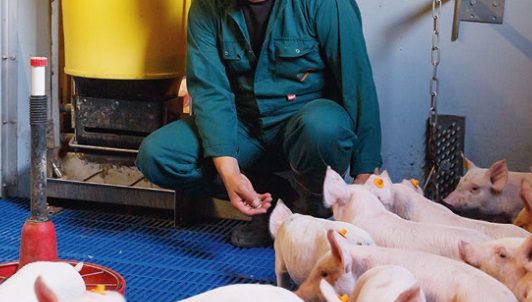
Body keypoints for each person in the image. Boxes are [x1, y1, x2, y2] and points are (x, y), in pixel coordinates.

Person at [136, 0, 382, 247]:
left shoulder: (325, 4)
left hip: (303, 128)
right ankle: (270, 203)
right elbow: (211, 95)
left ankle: (313, 209)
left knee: (324, 127)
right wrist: (230, 173)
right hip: (243, 127)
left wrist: (364, 183)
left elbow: (357, 84)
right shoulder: (207, 7)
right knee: (157, 156)